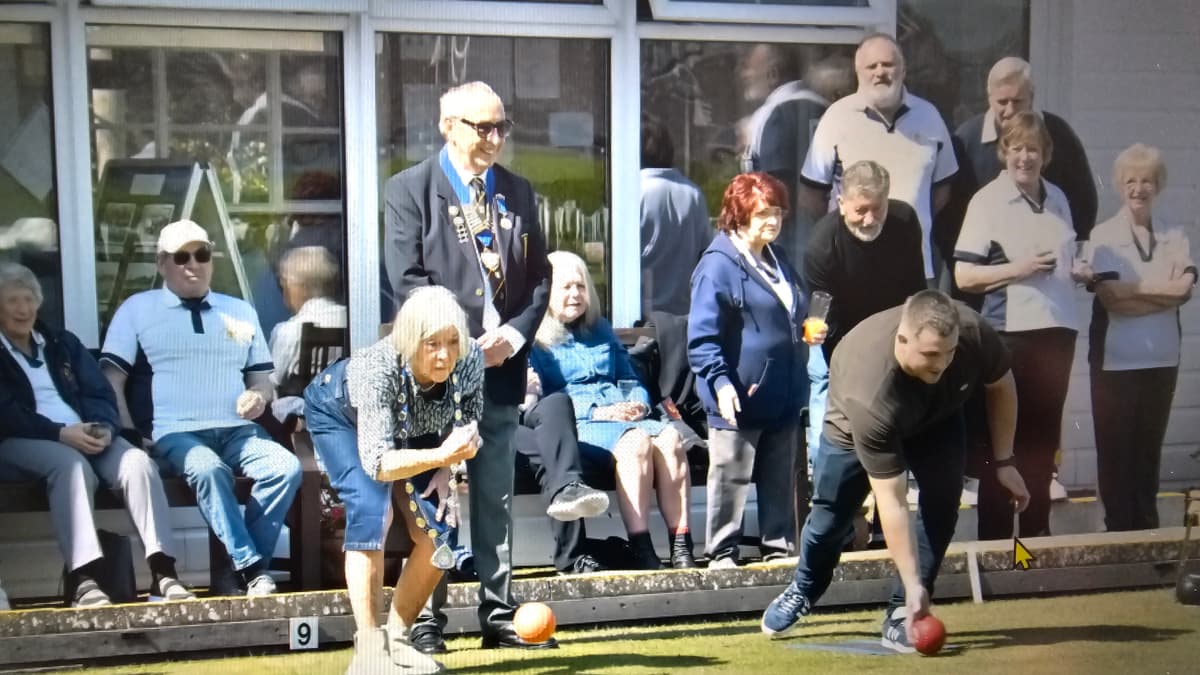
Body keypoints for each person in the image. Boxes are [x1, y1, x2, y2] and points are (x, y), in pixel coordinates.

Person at [383, 80, 593, 649]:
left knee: (494, 495)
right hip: (436, 372)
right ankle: (425, 616)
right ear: (448, 125)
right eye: (483, 127)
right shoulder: (410, 189)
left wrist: (515, 335)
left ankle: (498, 612)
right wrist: (461, 340)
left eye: (502, 125)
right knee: (434, 493)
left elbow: (540, 277)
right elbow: (406, 280)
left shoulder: (518, 191)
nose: (495, 137)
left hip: (500, 368)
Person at [760, 290, 1031, 653]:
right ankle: (805, 588)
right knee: (830, 518)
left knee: (942, 504)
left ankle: (904, 610)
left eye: (950, 352)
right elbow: (893, 501)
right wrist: (911, 574)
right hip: (856, 426)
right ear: (902, 339)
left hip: (937, 418)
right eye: (932, 355)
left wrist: (1005, 462)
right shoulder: (870, 390)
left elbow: (1001, 384)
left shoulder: (972, 331)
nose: (944, 364)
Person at [101, 219, 302, 597]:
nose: (192, 264)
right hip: (176, 431)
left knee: (286, 468)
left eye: (201, 254)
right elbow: (112, 379)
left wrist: (258, 397)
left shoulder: (239, 310)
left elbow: (262, 380)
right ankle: (251, 568)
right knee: (209, 469)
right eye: (181, 257)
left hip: (237, 429)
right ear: (162, 263)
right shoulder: (138, 309)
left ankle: (241, 567)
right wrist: (128, 435)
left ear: (212, 259)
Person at [304, 286, 481, 674]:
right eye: (432, 344)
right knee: (371, 507)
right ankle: (368, 650)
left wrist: (446, 467)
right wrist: (440, 455)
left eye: (453, 342)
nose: (445, 354)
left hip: (413, 427)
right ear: (409, 340)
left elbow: (468, 420)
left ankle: (396, 641)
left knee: (441, 530)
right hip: (342, 416)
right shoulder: (377, 368)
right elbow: (379, 463)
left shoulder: (470, 360)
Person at [0, 262, 194, 607]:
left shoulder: (62, 343)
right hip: (24, 442)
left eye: (29, 299)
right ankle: (83, 578)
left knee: (137, 463)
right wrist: (59, 433)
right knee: (70, 465)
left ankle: (163, 573)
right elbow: (7, 412)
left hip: (83, 434)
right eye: (13, 300)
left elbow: (100, 394)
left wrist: (104, 428)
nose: (23, 309)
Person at [953, 112, 1090, 540]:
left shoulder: (1059, 199)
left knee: (1042, 442)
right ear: (1004, 153)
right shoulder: (987, 201)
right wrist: (1020, 268)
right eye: (1016, 149)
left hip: (1057, 333)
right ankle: (996, 543)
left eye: (1033, 149)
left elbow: (1062, 262)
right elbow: (964, 276)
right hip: (1010, 336)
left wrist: (1080, 270)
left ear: (1046, 155)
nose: (1025, 157)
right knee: (1004, 444)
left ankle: (1033, 544)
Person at [532, 251, 694, 570]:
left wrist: (638, 402)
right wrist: (598, 411)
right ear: (547, 292)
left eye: (580, 286)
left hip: (624, 418)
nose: (575, 294)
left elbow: (629, 376)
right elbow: (546, 402)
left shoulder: (600, 329)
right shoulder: (536, 340)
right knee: (637, 444)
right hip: (580, 425)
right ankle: (642, 547)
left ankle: (681, 545)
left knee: (671, 441)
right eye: (565, 287)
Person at [688, 172, 808, 568]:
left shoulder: (778, 257)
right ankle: (721, 556)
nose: (773, 221)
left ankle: (780, 555)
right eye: (762, 214)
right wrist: (721, 384)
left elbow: (790, 311)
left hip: (784, 394)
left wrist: (806, 330)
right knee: (730, 479)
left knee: (780, 481)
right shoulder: (717, 267)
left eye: (777, 212)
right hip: (738, 396)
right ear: (738, 216)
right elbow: (702, 340)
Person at [1089, 144, 1195, 531]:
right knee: (1116, 453)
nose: (1139, 188)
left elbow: (1183, 290)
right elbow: (1112, 299)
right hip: (1116, 362)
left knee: (1147, 452)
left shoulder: (1174, 232)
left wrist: (1135, 288)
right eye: (1131, 181)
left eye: (1146, 180)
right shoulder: (1104, 235)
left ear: (1158, 185)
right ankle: (1118, 532)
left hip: (1162, 360)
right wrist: (1159, 292)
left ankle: (1146, 533)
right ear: (1119, 186)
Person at [797, 33, 958, 284]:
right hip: (852, 268)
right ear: (858, 72)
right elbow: (811, 195)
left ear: (903, 70)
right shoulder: (837, 118)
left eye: (888, 64)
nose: (880, 72)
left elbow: (943, 191)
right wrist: (848, 227)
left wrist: (908, 222)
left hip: (915, 266)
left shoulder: (929, 117)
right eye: (872, 66)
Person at [803, 160, 927, 467]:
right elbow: (822, 318)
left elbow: (915, 290)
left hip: (891, 332)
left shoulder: (905, 220)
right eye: (860, 210)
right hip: (839, 333)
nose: (870, 219)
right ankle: (826, 485)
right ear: (841, 204)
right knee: (830, 424)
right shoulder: (822, 245)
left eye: (877, 208)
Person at [949, 57, 1097, 245]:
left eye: (1018, 101)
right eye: (1002, 102)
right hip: (984, 263)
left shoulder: (1059, 135)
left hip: (1048, 258)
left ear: (1032, 97)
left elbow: (1083, 202)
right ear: (989, 99)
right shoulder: (966, 140)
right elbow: (951, 213)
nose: (1010, 110)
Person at [739, 43, 830, 267]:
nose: (744, 75)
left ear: (773, 74)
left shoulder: (774, 115)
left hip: (786, 247)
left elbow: (774, 191)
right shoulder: (829, 110)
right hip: (828, 241)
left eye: (750, 69)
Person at [640, 114, 712, 317]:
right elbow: (705, 253)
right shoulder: (693, 193)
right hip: (683, 314)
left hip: (639, 311)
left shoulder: (631, 192)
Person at [268, 245, 347, 407]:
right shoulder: (352, 321)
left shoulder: (289, 330)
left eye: (283, 283)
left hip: (304, 419)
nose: (283, 289)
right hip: (345, 410)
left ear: (300, 287)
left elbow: (271, 381)